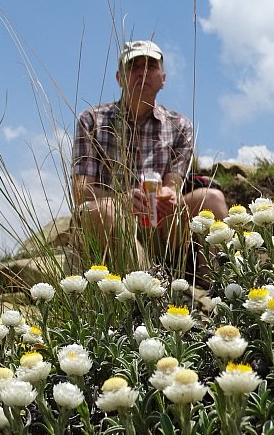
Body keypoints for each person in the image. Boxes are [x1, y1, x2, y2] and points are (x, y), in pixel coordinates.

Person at [71, 39, 228, 273]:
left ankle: (214, 289)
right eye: (133, 66)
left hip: (162, 227)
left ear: (163, 78)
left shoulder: (180, 125)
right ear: (119, 77)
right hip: (112, 228)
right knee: (104, 210)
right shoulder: (92, 120)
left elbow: (173, 184)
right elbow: (81, 190)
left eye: (151, 66)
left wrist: (168, 194)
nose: (142, 73)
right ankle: (146, 292)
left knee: (212, 199)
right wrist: (123, 200)